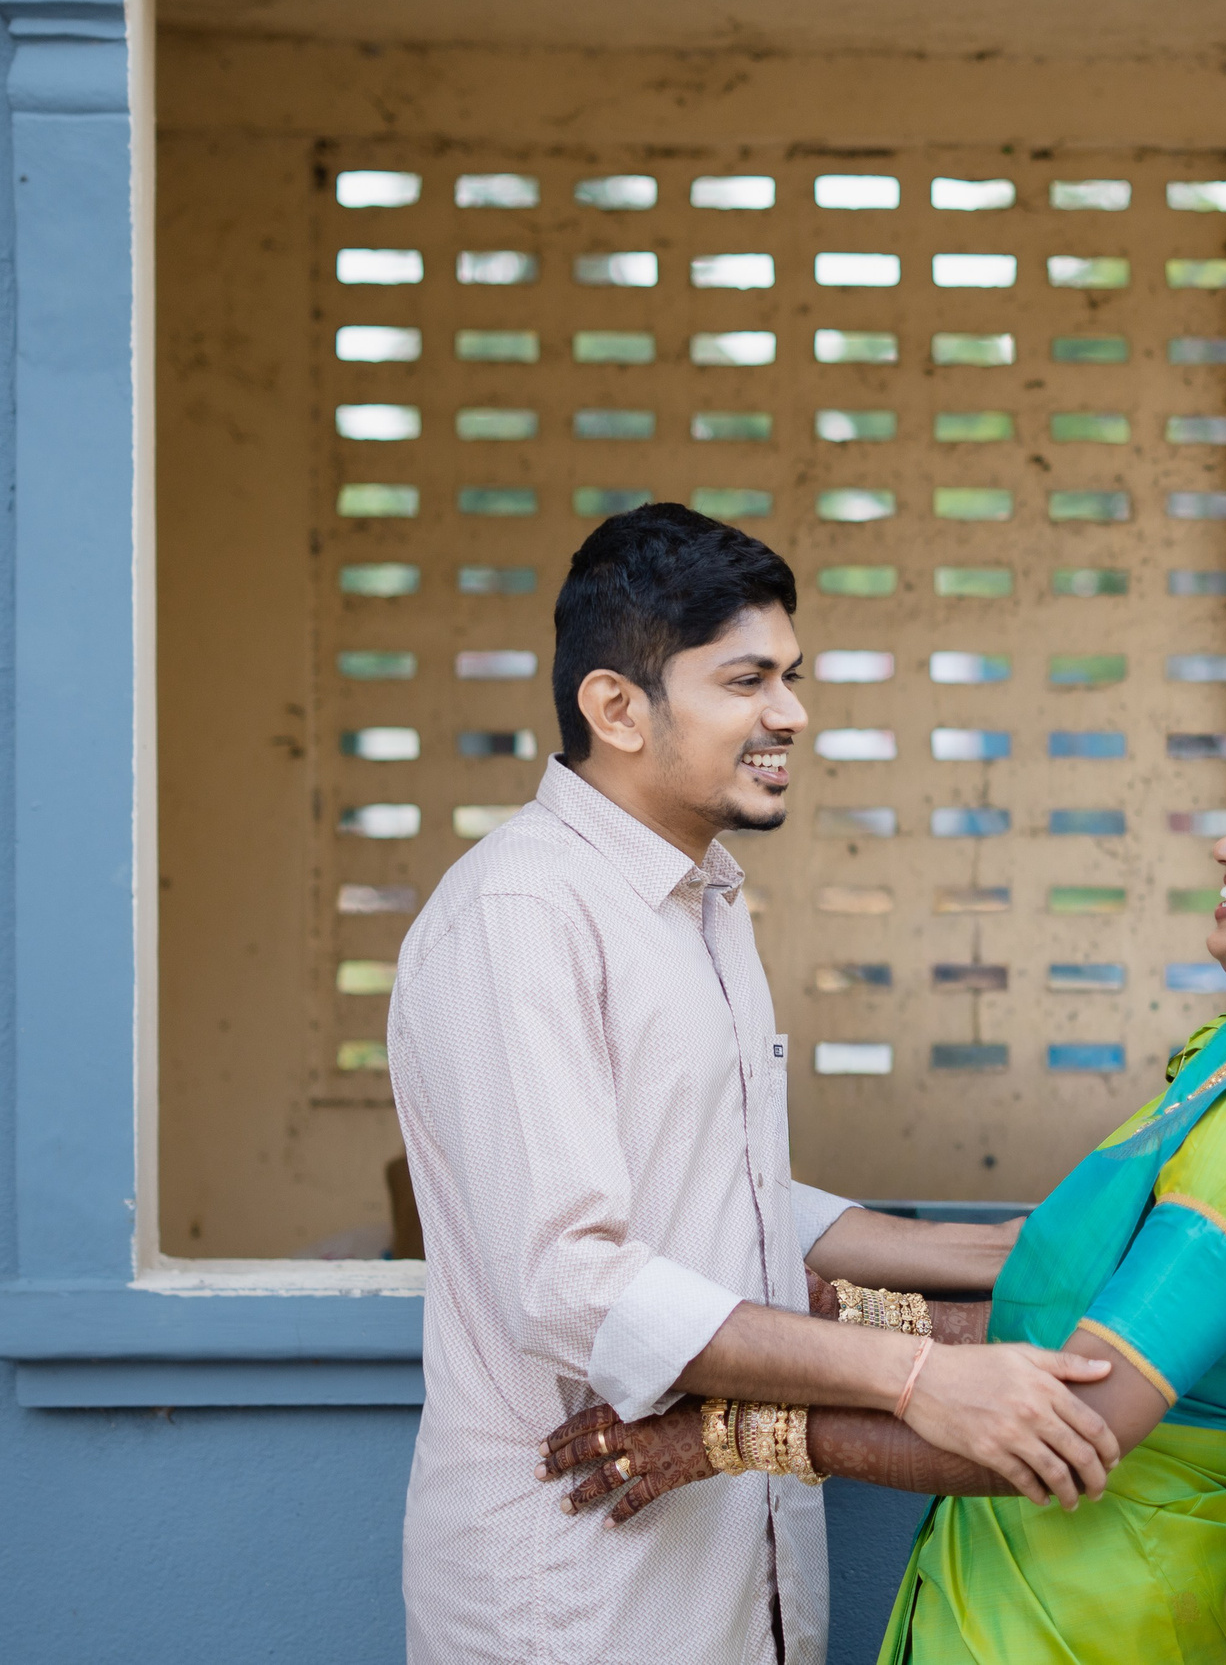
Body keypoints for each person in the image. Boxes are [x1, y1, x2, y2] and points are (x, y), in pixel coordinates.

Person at [540, 724, 1226, 1665]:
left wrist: (724, 1436)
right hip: (1055, 1589)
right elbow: (1080, 1295)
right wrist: (845, 1311)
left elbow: (1064, 1421)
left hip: (1082, 1618)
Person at [387, 505, 1125, 1665]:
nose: (790, 713)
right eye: (746, 680)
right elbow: (571, 1280)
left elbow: (710, 1184)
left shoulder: (702, 896)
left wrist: (998, 1253)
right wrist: (918, 1375)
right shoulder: (519, 915)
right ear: (617, 707)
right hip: (579, 1583)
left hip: (735, 1564)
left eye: (790, 676)